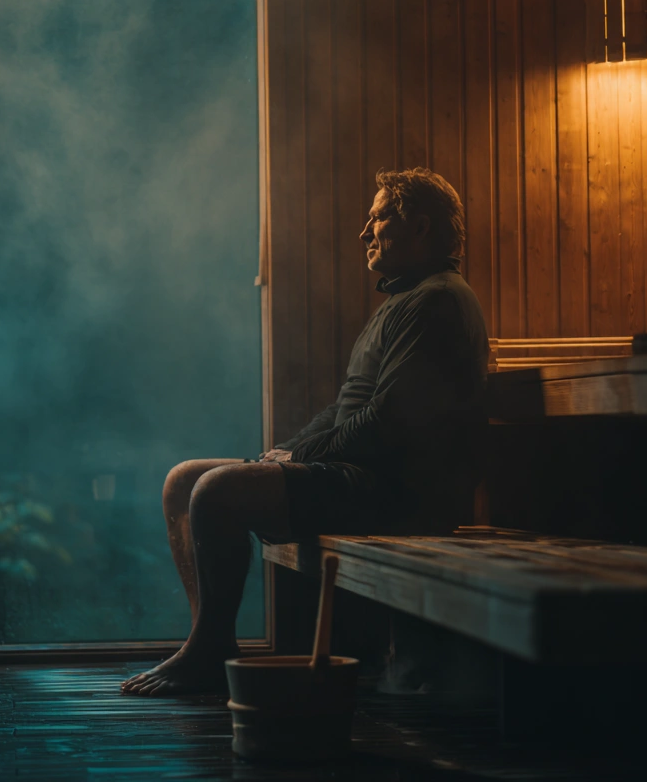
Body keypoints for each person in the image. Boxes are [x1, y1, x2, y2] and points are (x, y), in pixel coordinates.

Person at [121, 167, 490, 697]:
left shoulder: (438, 301)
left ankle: (207, 651)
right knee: (185, 481)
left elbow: (387, 422)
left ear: (420, 227)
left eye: (378, 218)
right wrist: (292, 450)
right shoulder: (408, 300)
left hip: (402, 494)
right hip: (365, 475)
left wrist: (293, 461)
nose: (365, 233)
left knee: (217, 490)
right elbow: (348, 409)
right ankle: (211, 642)